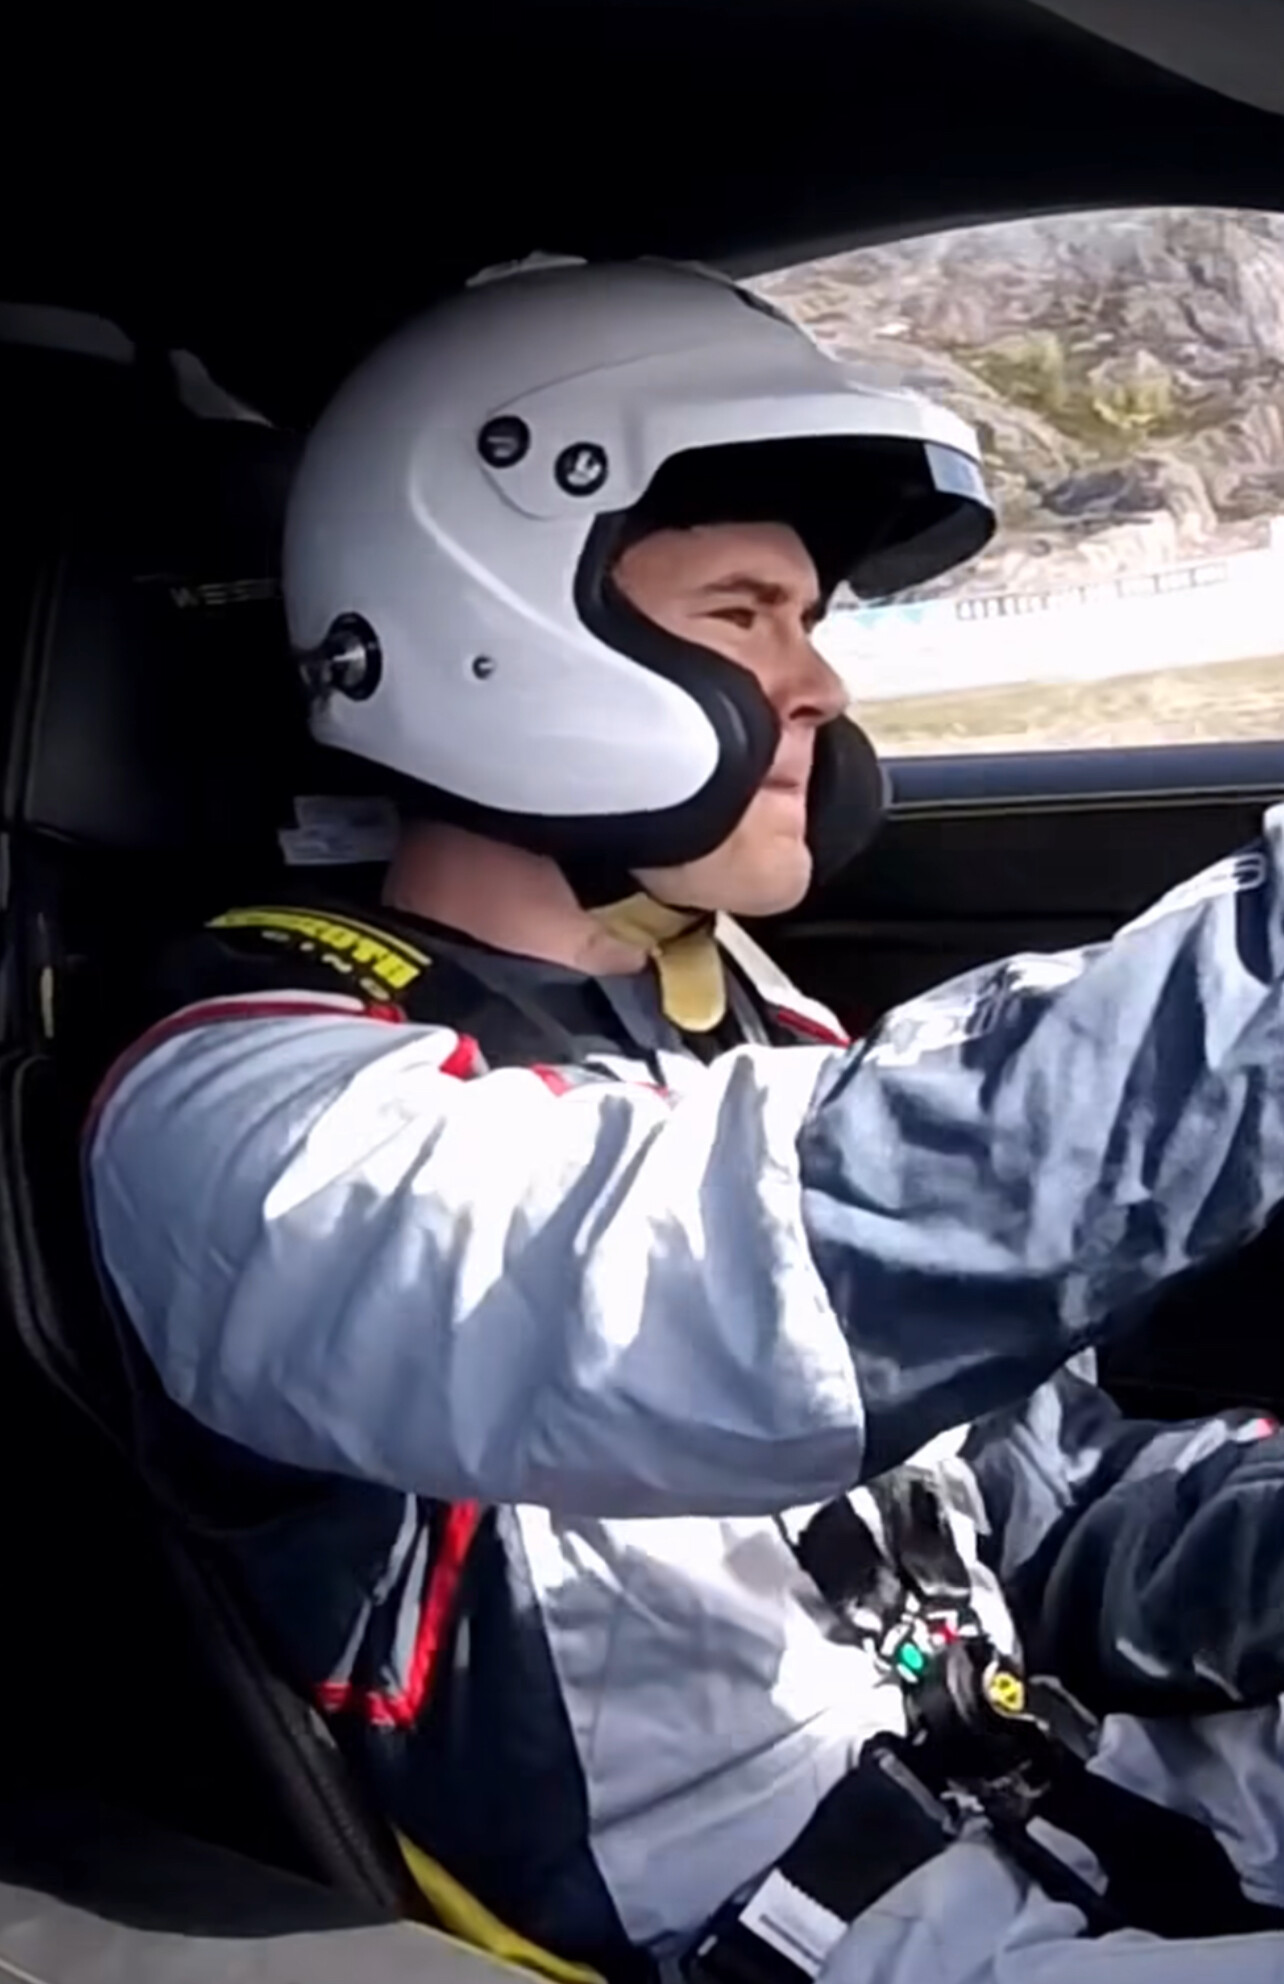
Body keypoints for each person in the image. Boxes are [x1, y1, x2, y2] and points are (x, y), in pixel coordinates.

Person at [85, 257, 1284, 1984]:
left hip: (1059, 1800)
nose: (820, 687)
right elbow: (749, 1297)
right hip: (814, 1943)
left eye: (814, 621)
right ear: (493, 626)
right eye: (745, 615)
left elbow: (1039, 1504)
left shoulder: (747, 1025)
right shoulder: (245, 1117)